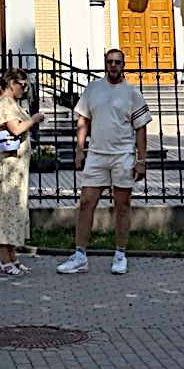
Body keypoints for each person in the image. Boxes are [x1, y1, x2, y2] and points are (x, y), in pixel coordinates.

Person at [57, 48, 151, 276]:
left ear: (124, 65)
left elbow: (141, 129)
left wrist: (141, 160)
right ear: (105, 64)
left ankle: (120, 253)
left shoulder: (132, 93)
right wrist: (80, 150)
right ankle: (80, 255)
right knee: (86, 202)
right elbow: (83, 120)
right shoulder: (93, 88)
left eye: (118, 62)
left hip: (122, 156)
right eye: (110, 62)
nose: (114, 66)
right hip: (97, 155)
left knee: (122, 205)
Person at [0, 68, 46, 276]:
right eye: (22, 85)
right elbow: (15, 129)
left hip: (17, 168)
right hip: (8, 167)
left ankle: (13, 256)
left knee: (15, 210)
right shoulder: (5, 103)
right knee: (7, 211)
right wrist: (34, 120)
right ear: (12, 83)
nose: (24, 89)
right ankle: (4, 258)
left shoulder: (13, 103)